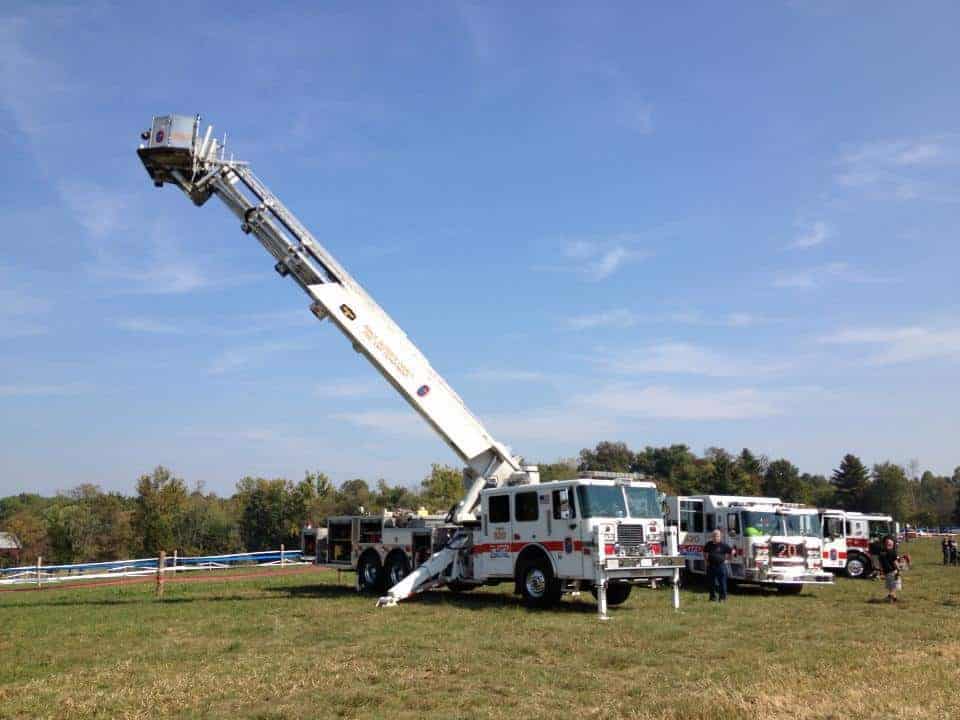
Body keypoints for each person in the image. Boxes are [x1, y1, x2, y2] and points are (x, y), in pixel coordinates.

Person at [702, 528, 732, 602]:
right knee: (711, 583)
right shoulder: (708, 544)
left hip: (721, 566)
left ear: (720, 537)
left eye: (717, 536)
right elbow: (704, 552)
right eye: (714, 536)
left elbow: (732, 552)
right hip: (711, 566)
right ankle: (712, 598)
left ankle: (722, 598)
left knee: (722, 583)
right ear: (712, 537)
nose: (715, 537)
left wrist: (728, 560)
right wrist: (706, 561)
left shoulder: (723, 545)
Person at [878, 535, 901, 603]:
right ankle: (890, 597)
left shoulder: (881, 553)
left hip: (886, 572)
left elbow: (880, 563)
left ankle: (894, 598)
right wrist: (899, 569)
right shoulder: (893, 552)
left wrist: (881, 571)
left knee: (890, 586)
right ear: (893, 545)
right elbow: (895, 563)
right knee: (893, 586)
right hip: (893, 572)